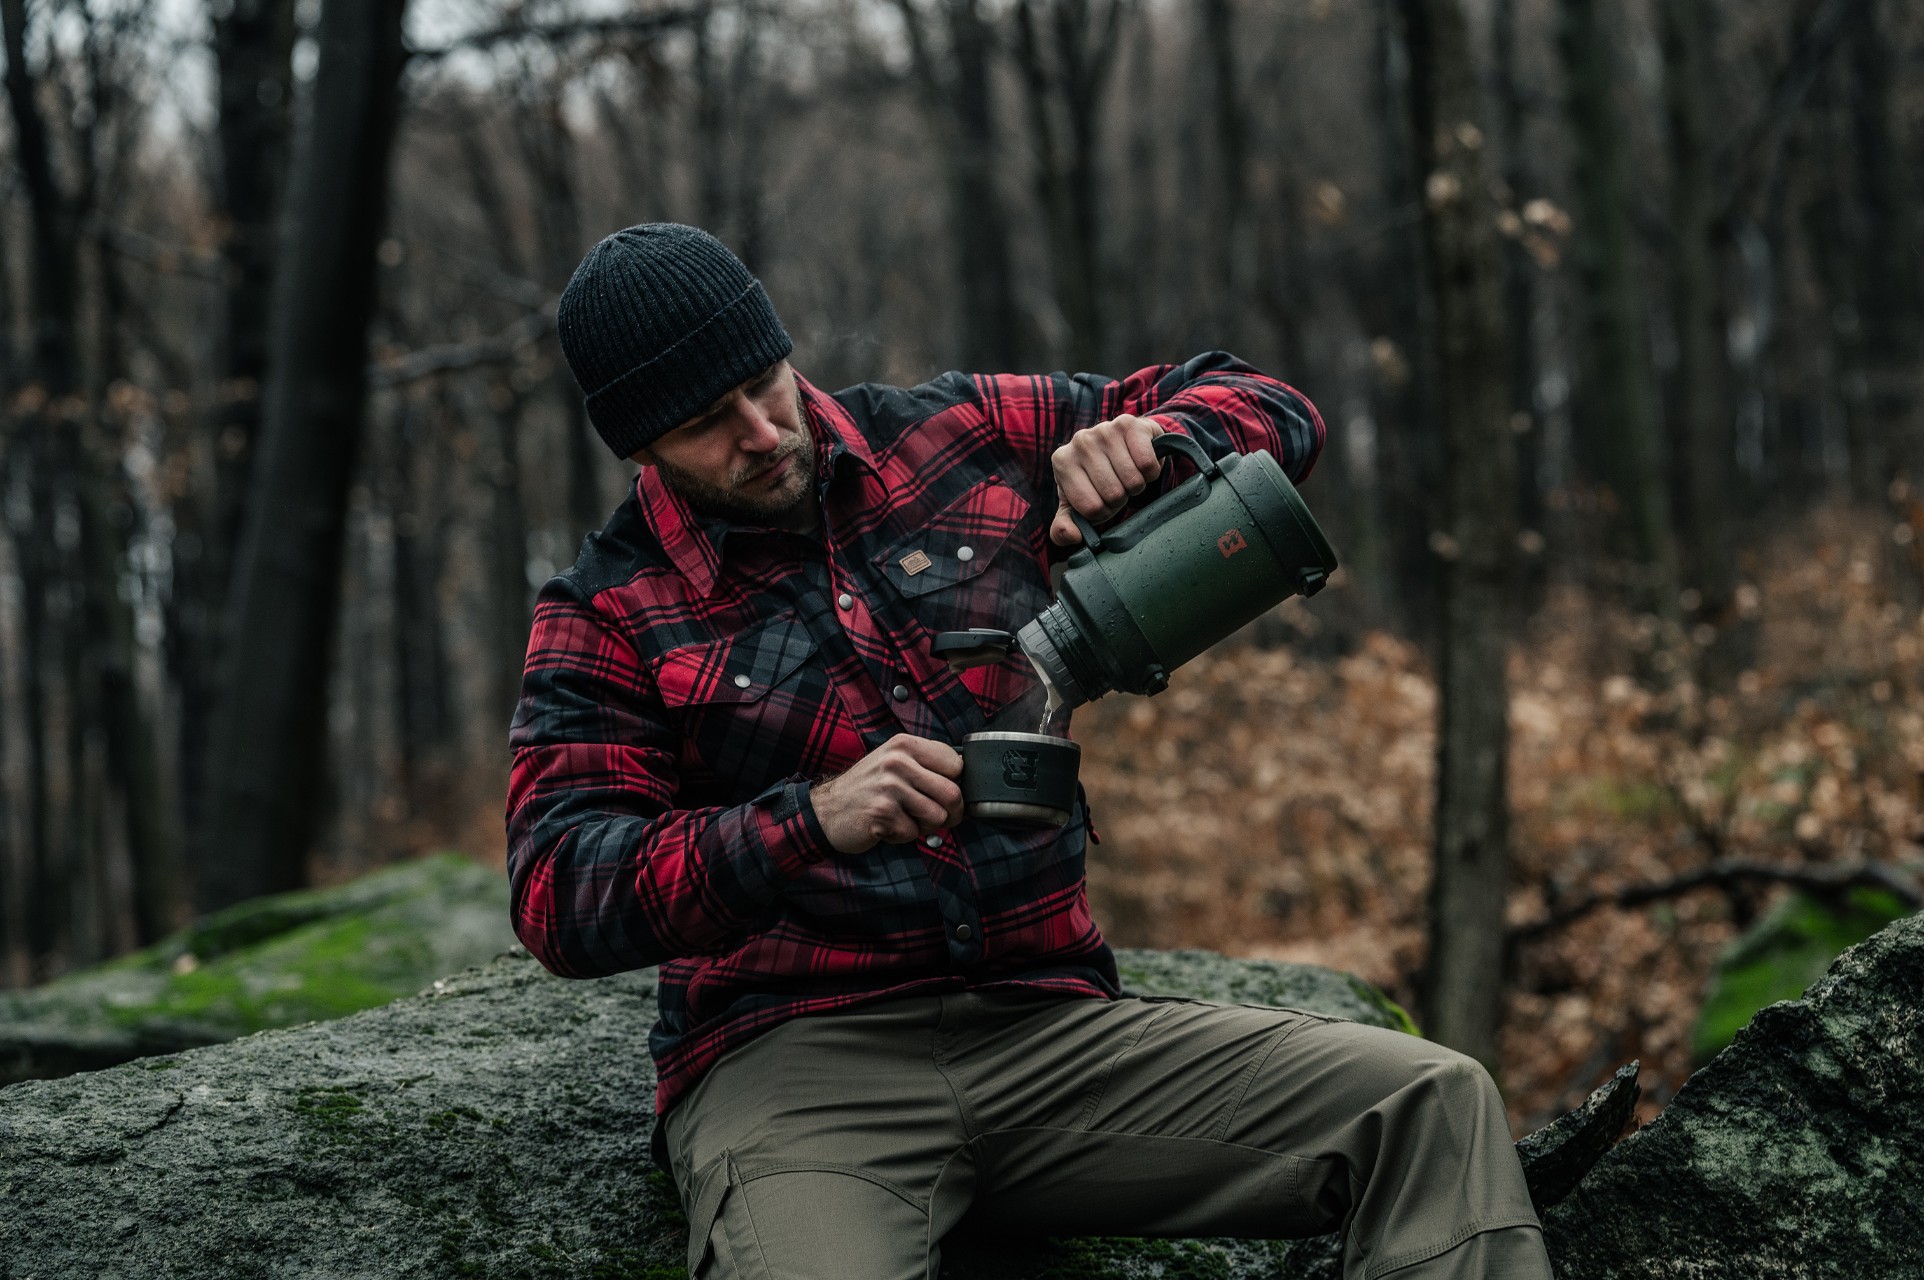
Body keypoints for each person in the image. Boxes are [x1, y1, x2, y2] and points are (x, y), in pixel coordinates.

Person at [507, 223, 1552, 1280]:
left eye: (765, 382)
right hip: (796, 1068)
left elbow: (1271, 402)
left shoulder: (954, 432)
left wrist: (1159, 442)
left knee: (1435, 1103)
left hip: (1051, 1030)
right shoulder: (606, 607)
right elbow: (558, 889)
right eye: (705, 424)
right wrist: (808, 819)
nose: (762, 430)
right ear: (638, 447)